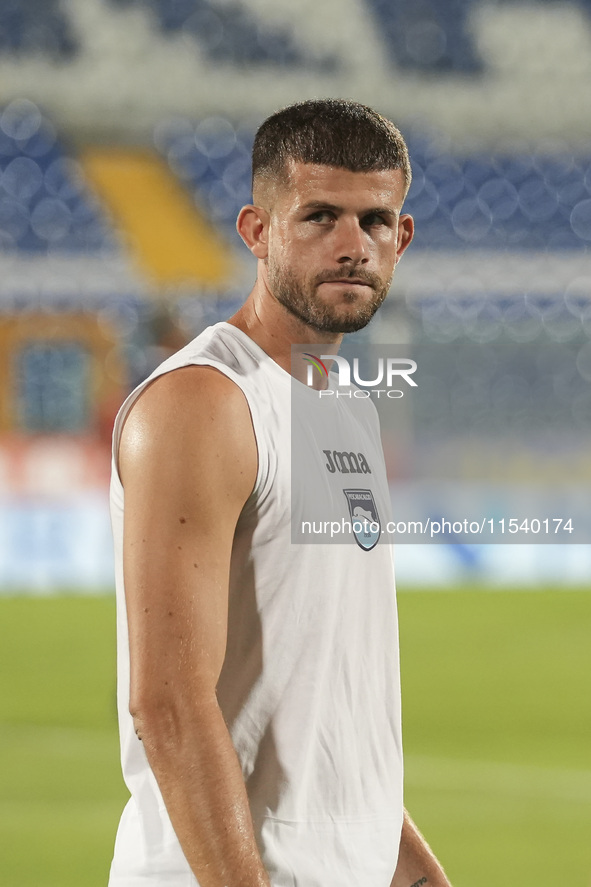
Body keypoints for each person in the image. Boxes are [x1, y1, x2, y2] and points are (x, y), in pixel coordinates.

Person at [109, 98, 452, 887]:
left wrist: (413, 871)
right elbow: (166, 703)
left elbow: (328, 700)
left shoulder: (339, 405)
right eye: (319, 215)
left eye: (374, 221)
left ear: (400, 239)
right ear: (256, 230)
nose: (350, 245)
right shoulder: (203, 403)